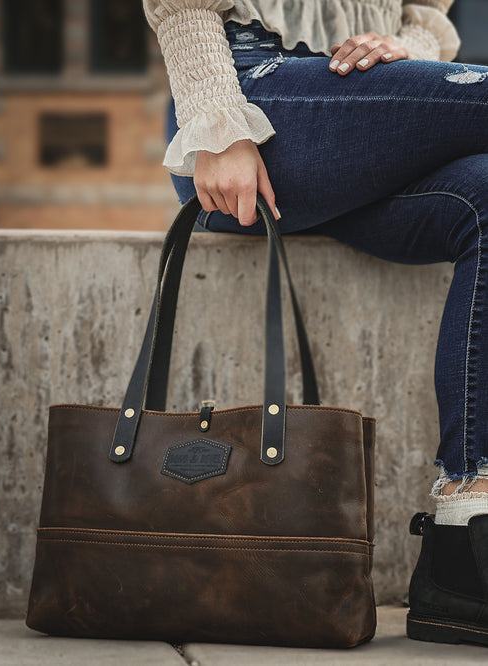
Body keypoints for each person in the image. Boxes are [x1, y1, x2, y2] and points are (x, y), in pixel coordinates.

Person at [143, 0, 488, 646]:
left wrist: (403, 48)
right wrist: (217, 126)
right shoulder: (225, 117)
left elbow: (428, 13)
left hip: (362, 114)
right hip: (249, 103)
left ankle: (460, 545)